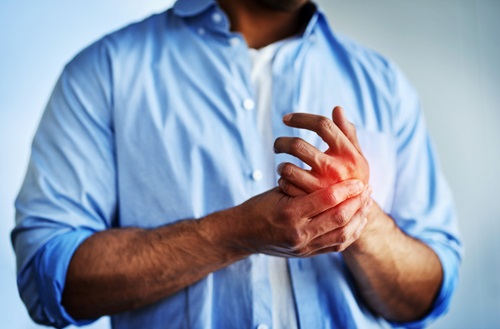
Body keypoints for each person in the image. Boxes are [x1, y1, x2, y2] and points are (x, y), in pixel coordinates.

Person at [12, 0, 462, 328]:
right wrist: (237, 232)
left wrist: (357, 217)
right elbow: (47, 276)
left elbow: (428, 293)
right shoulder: (103, 71)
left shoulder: (383, 84)